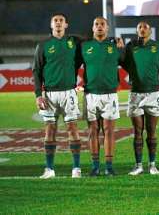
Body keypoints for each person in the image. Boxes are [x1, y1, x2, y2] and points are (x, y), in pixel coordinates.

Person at [33, 13, 82, 179]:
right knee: (50, 129)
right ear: (51, 24)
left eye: (61, 20)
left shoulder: (74, 42)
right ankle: (49, 169)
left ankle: (76, 168)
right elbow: (37, 71)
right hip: (50, 95)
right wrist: (38, 95)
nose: (58, 23)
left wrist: (112, 40)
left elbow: (95, 43)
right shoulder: (43, 45)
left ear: (66, 25)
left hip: (69, 92)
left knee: (72, 128)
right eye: (55, 21)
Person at [81, 17, 125, 176]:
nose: (99, 27)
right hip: (90, 95)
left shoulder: (114, 46)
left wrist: (121, 46)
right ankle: (95, 167)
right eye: (96, 24)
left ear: (107, 29)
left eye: (102, 24)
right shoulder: (85, 46)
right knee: (93, 131)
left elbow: (126, 62)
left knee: (109, 131)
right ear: (92, 28)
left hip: (110, 95)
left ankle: (109, 166)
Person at [122, 21, 159, 175]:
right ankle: (138, 165)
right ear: (136, 30)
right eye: (140, 27)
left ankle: (152, 165)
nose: (142, 29)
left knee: (152, 131)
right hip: (135, 93)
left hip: (153, 93)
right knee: (138, 131)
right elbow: (124, 62)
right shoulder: (130, 46)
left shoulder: (158, 47)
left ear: (150, 31)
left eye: (145, 27)